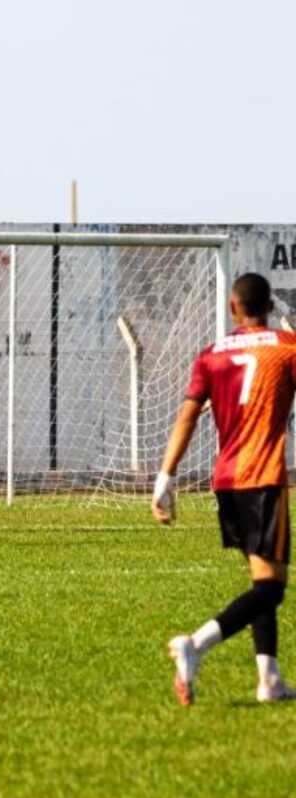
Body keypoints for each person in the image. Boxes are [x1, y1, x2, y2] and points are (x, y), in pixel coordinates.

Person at [154, 272, 296, 705]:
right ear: (269, 307)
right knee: (271, 589)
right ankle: (194, 645)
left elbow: (187, 416)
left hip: (227, 482)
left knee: (260, 579)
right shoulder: (287, 348)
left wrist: (165, 477)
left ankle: (268, 680)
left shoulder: (212, 354)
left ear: (233, 308)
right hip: (264, 478)